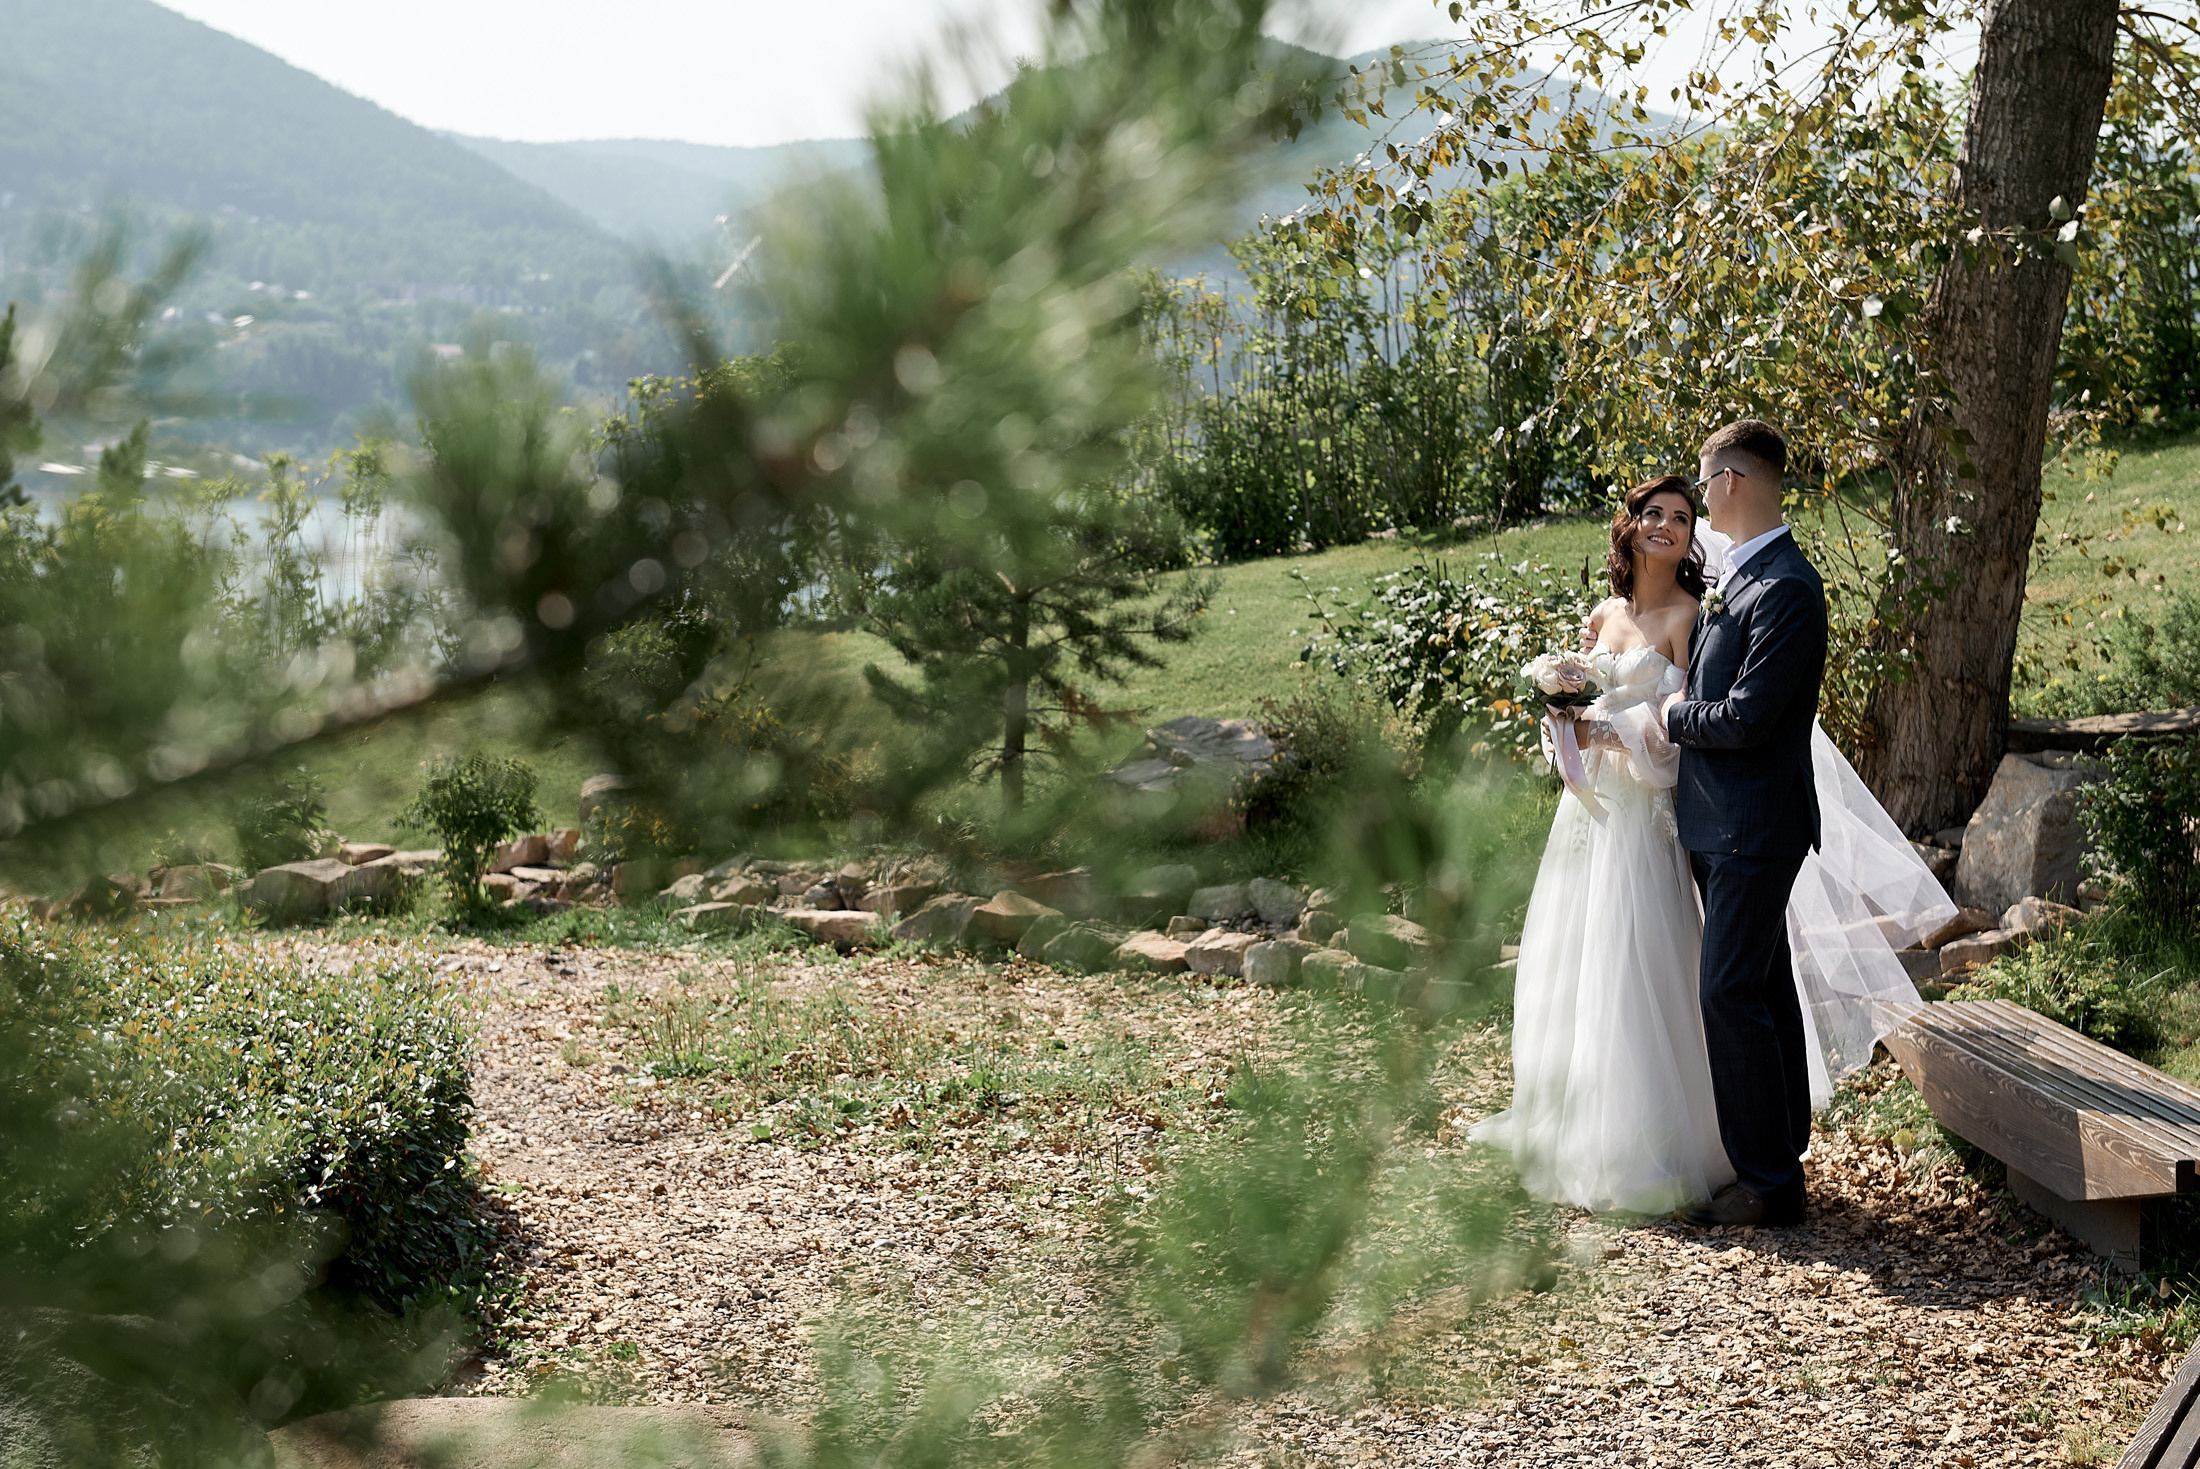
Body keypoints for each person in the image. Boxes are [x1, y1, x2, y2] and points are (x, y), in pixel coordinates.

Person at [1472, 425, 1953, 1223]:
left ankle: (1770, 1185)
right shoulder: (1745, 576)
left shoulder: (1786, 588)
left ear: (1726, 483)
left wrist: (1659, 711)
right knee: (1758, 988)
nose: (1680, 517)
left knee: (1728, 991)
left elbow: (1749, 715)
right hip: (1707, 822)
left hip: (1755, 826)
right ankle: (1779, 1150)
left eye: (1694, 492)